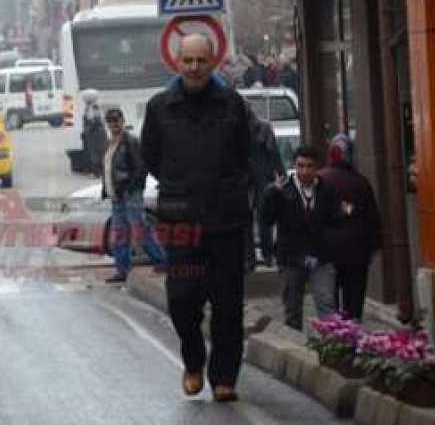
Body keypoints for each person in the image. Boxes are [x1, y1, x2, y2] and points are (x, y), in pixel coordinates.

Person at [141, 34, 252, 403]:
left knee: (227, 304)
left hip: (225, 222)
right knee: (182, 301)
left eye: (200, 60)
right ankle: (193, 360)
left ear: (212, 62)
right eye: (187, 60)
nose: (193, 67)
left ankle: (224, 377)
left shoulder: (232, 105)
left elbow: (243, 155)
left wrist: (223, 188)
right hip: (181, 224)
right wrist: (179, 186)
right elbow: (151, 158)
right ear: (177, 62)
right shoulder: (160, 108)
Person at [259, 145, 338, 330]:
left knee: (326, 303)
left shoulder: (327, 190)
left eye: (309, 166)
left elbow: (335, 219)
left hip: (320, 256)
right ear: (294, 166)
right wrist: (271, 193)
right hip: (291, 257)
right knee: (292, 308)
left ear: (317, 167)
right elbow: (266, 220)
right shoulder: (282, 190)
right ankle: (296, 349)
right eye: (300, 166)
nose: (304, 171)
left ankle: (333, 349)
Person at [317, 134, 383, 320]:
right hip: (357, 251)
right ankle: (352, 337)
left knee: (329, 302)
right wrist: (375, 246)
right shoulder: (361, 182)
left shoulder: (320, 180)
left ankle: (334, 340)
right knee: (353, 303)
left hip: (327, 250)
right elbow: (372, 218)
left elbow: (314, 217)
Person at [101, 107, 166, 283]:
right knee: (120, 235)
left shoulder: (131, 142)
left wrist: (130, 188)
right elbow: (108, 169)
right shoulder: (110, 144)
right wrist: (106, 190)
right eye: (110, 121)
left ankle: (162, 261)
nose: (114, 124)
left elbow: (141, 168)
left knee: (141, 230)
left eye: (116, 120)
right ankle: (122, 270)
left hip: (130, 195)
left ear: (122, 121)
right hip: (117, 197)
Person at [248, 112, 286, 268]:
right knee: (264, 219)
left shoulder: (238, 129)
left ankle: (250, 257)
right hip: (263, 179)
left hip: (248, 180)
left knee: (248, 219)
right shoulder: (265, 128)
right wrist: (281, 174)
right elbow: (274, 154)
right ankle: (267, 254)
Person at [80, 89, 107, 177]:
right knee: (98, 152)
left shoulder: (93, 107)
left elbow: (94, 119)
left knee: (96, 152)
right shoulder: (93, 107)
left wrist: (89, 129)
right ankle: (99, 172)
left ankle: (98, 173)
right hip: (97, 132)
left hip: (95, 133)